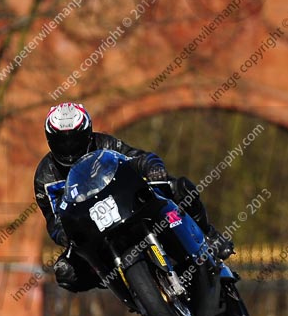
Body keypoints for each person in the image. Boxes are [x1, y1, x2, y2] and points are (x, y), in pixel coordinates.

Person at [34, 102, 234, 292]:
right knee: (65, 272)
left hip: (125, 205)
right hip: (91, 230)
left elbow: (136, 157)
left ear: (87, 134)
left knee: (179, 187)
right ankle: (117, 283)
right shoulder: (45, 177)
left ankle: (209, 235)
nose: (70, 148)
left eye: (75, 140)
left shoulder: (104, 143)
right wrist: (65, 236)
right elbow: (54, 220)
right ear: (50, 140)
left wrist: (152, 167)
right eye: (63, 142)